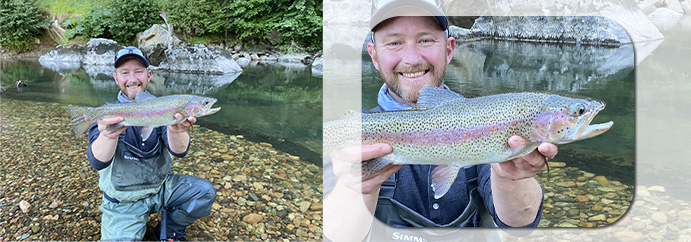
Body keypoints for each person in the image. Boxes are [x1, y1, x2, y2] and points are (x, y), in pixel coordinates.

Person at [323, 1, 557, 241]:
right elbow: (337, 235)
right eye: (394, 43)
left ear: (449, 48)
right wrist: (358, 188)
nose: (412, 59)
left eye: (425, 40)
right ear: (374, 55)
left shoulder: (486, 123)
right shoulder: (353, 134)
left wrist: (511, 175)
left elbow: (519, 224)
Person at [87, 46, 216, 241]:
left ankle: (168, 229)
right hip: (123, 200)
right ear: (115, 78)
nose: (132, 79)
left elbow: (180, 151)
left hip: (160, 189)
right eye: (125, 73)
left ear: (149, 75)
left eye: (138, 72)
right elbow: (97, 162)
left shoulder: (164, 107)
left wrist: (175, 129)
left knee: (204, 193)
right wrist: (108, 136)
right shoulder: (111, 115)